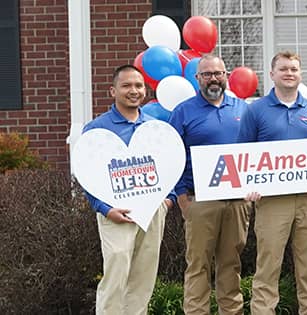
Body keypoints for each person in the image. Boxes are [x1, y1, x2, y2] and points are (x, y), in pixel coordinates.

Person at [237, 51, 307, 315]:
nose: (289, 73)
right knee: (268, 266)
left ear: (300, 74)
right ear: (272, 75)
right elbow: (242, 154)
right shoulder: (255, 110)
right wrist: (249, 185)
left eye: (293, 69)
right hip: (271, 201)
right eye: (283, 69)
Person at [83, 64, 176, 315]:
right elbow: (85, 175)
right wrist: (104, 208)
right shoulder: (97, 129)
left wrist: (168, 200)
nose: (133, 90)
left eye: (138, 85)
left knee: (143, 277)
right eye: (126, 86)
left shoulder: (156, 127)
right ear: (113, 91)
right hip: (116, 211)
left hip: (153, 210)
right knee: (116, 271)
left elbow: (172, 164)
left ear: (144, 91)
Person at [168, 54, 252, 315]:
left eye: (218, 73)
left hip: (238, 200)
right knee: (198, 266)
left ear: (226, 76)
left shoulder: (243, 109)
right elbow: (172, 156)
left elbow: (257, 151)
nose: (213, 78)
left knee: (231, 264)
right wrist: (182, 195)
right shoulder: (183, 112)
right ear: (197, 78)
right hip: (199, 200)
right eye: (207, 74)